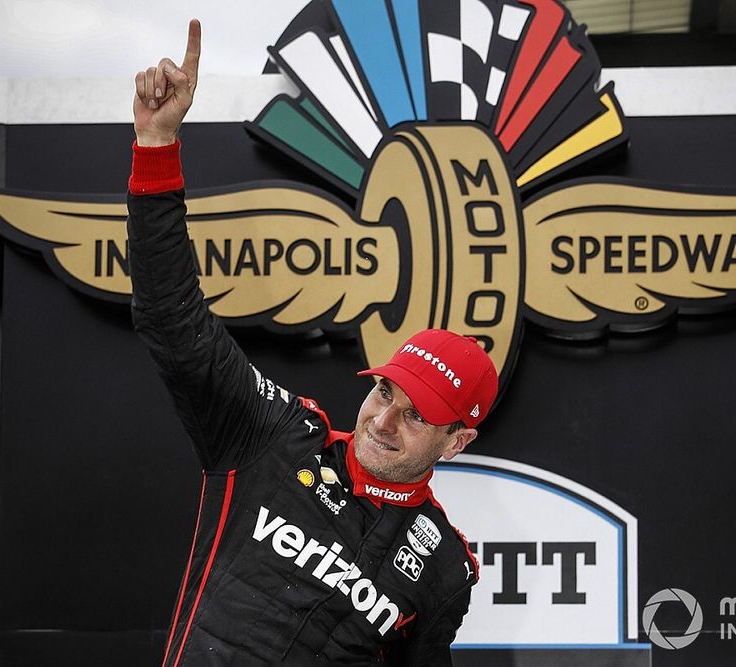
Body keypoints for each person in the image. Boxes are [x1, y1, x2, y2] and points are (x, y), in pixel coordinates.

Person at [127, 20, 499, 666]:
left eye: (417, 415)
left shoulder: (443, 568)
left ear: (457, 440)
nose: (383, 419)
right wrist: (156, 144)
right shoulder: (274, 434)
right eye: (386, 389)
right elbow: (173, 323)